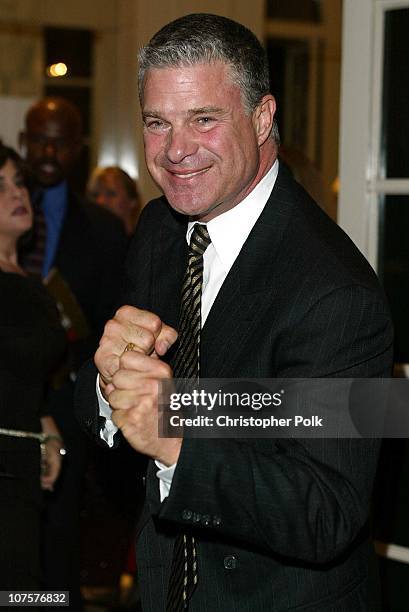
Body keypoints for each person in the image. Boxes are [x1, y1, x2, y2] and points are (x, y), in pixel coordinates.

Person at [76, 14, 393, 611]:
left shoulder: (338, 291)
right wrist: (109, 385)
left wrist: (175, 438)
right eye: (157, 122)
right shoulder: (157, 231)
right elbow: (108, 401)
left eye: (203, 119)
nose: (175, 150)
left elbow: (327, 513)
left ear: (263, 116)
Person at [19, 97, 127, 606]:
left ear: (77, 149)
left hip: (66, 401)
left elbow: (112, 323)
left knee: (59, 535)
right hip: (7, 398)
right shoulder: (4, 212)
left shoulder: (103, 231)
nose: (46, 151)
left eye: (59, 141)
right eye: (37, 138)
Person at [0, 145, 66, 588]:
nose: (16, 193)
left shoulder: (30, 282)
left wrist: (46, 424)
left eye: (18, 182)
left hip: (23, 470)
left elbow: (25, 372)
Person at [87, 166, 141, 236]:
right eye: (95, 195)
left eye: (111, 194)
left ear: (133, 200)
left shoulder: (146, 243)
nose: (100, 201)